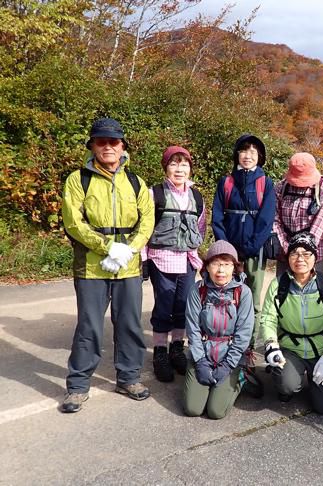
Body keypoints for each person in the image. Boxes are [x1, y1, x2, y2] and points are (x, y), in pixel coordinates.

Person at [61, 117, 154, 413]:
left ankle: (128, 378)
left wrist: (129, 250)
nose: (108, 147)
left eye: (113, 141)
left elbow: (147, 219)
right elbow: (73, 222)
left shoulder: (136, 181)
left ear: (123, 146)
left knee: (129, 323)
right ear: (92, 146)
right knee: (89, 326)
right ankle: (77, 386)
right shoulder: (78, 179)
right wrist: (106, 246)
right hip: (91, 265)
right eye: (101, 141)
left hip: (127, 265)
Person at [259, 232, 323, 414]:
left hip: (320, 350)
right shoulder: (279, 284)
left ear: (315, 257)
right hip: (290, 348)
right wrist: (271, 345)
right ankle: (288, 381)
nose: (300, 258)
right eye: (294, 253)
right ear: (288, 257)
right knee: (286, 385)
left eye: (306, 254)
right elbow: (268, 318)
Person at [143, 146, 206, 383]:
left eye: (184, 164)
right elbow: (145, 228)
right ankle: (160, 352)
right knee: (163, 307)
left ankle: (177, 349)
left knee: (183, 306)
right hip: (162, 259)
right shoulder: (154, 194)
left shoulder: (196, 196)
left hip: (188, 260)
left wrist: (198, 255)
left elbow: (200, 227)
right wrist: (143, 260)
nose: (179, 169)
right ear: (166, 167)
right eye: (174, 164)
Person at [211, 133, 276, 338]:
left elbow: (266, 219)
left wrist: (250, 247)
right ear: (237, 155)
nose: (248, 155)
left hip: (255, 251)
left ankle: (247, 347)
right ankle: (225, 340)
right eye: (243, 150)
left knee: (253, 299)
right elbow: (217, 217)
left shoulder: (265, 183)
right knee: (227, 296)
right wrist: (228, 250)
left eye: (253, 151)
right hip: (229, 252)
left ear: (260, 156)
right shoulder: (226, 182)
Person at [183, 240, 254, 419]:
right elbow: (192, 329)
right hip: (203, 353)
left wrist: (228, 364)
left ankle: (240, 378)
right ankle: (202, 375)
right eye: (215, 264)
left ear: (234, 267)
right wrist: (200, 361)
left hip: (230, 356)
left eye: (226, 264)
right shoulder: (198, 290)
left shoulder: (243, 292)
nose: (220, 270)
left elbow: (243, 333)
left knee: (216, 412)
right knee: (193, 409)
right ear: (207, 267)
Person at [273, 152, 323, 276]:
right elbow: (274, 219)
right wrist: (286, 246)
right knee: (282, 289)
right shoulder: (281, 187)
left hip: (313, 251)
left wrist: (305, 249)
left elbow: (322, 222)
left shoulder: (322, 188)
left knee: (314, 291)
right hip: (286, 251)